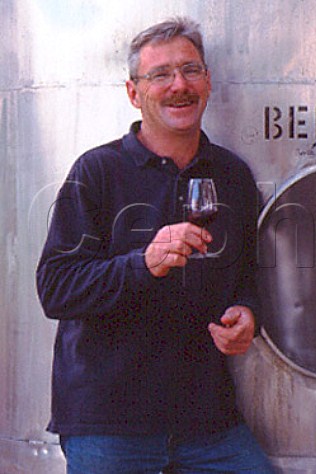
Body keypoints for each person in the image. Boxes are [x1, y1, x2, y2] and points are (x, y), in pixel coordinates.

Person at [36, 17, 275, 473]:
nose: (178, 85)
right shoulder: (97, 172)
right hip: (108, 423)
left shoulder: (232, 176)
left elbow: (246, 274)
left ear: (208, 82)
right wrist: (142, 263)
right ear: (133, 92)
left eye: (190, 70)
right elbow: (55, 288)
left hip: (207, 421)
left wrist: (248, 313)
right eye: (160, 74)